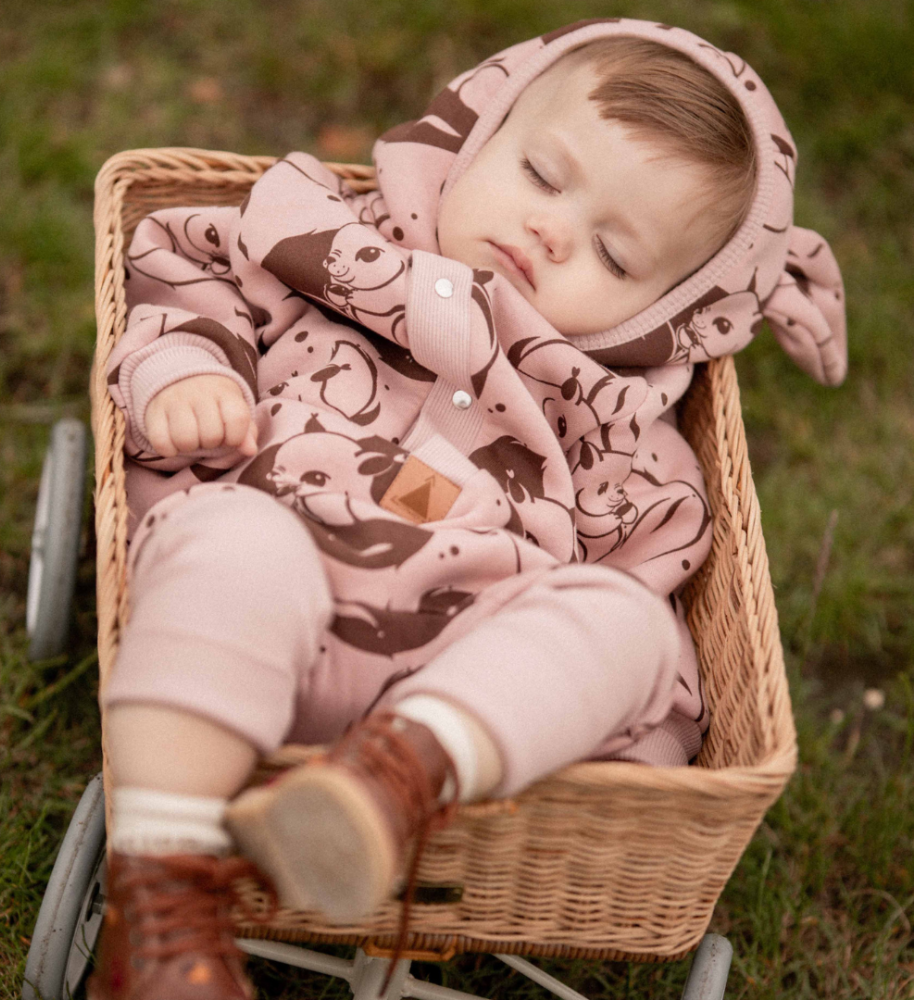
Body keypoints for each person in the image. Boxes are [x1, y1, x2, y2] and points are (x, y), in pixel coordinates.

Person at [87, 19, 846, 1000]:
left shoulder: (617, 423)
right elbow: (187, 285)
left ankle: (383, 781)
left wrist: (594, 729)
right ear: (476, 130)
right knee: (234, 544)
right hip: (261, 597)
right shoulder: (322, 241)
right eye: (538, 171)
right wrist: (184, 376)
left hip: (463, 707)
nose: (550, 230)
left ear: (656, 316)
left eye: (614, 257)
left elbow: (633, 616)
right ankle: (162, 894)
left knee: (634, 629)